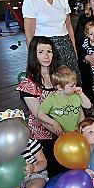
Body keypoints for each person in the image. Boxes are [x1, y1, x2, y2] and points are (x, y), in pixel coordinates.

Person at [23, 0, 80, 81]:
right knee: (53, 81)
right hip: (46, 46)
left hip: (65, 43)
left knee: (72, 81)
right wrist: (34, 57)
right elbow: (29, 34)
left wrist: (74, 48)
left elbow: (69, 26)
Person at [16, 36, 64, 176]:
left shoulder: (60, 75)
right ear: (34, 55)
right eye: (41, 52)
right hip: (44, 134)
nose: (46, 56)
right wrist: (63, 135)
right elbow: (39, 116)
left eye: (49, 51)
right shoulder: (28, 84)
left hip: (66, 126)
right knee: (55, 169)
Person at [38, 65, 92, 134]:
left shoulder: (76, 95)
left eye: (75, 84)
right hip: (62, 134)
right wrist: (53, 122)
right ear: (60, 87)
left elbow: (88, 106)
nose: (75, 87)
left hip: (78, 131)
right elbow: (40, 114)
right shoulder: (52, 98)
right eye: (71, 86)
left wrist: (81, 94)